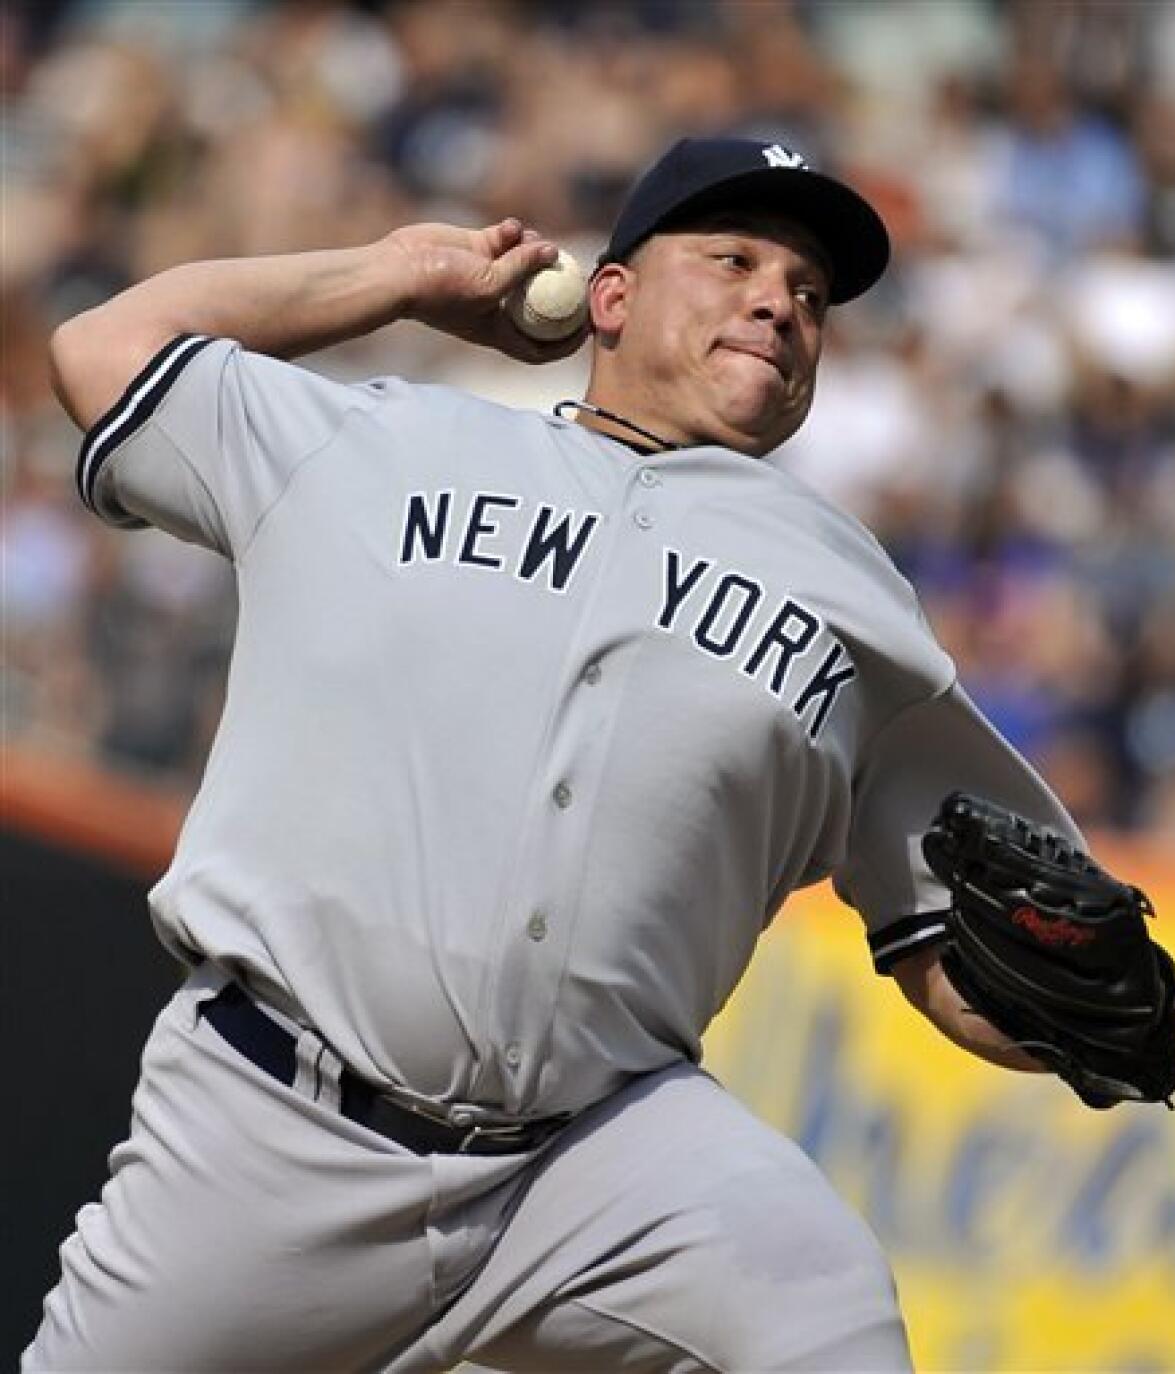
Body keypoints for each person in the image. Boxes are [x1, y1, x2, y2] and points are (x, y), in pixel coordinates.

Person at [31, 136, 1079, 1373]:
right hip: (269, 1128)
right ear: (612, 297)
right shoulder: (375, 443)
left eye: (807, 293)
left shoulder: (859, 601)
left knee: (825, 1309)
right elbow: (101, 353)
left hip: (596, 1166)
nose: (778, 303)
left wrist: (1063, 1018)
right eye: (734, 259)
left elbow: (967, 947)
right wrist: (398, 275)